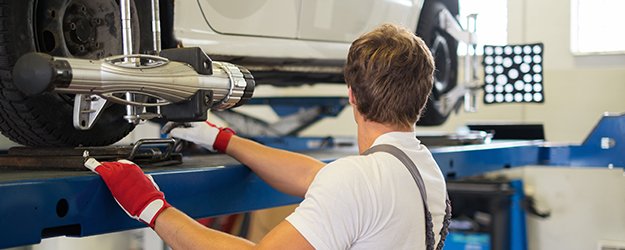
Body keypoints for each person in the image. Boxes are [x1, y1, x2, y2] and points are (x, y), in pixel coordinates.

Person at [85, 23, 449, 249]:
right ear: (421, 96)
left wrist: (152, 207)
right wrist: (226, 141)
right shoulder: (423, 170)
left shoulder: (359, 181)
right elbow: (313, 177)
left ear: (351, 95)